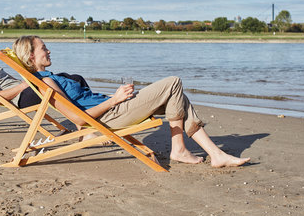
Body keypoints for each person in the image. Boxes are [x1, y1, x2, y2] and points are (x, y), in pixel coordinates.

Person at [13, 35, 251, 168]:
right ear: (32, 55)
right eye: (44, 48)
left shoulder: (52, 77)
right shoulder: (45, 82)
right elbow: (77, 118)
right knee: (173, 82)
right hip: (109, 117)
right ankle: (180, 149)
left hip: (114, 108)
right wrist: (115, 99)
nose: (49, 51)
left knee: (178, 96)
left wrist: (116, 99)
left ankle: (214, 154)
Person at [0, 26, 87, 109]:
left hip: (26, 90)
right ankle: (84, 119)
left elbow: (11, 81)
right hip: (21, 98)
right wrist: (24, 85)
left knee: (74, 79)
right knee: (64, 82)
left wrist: (25, 83)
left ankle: (87, 117)